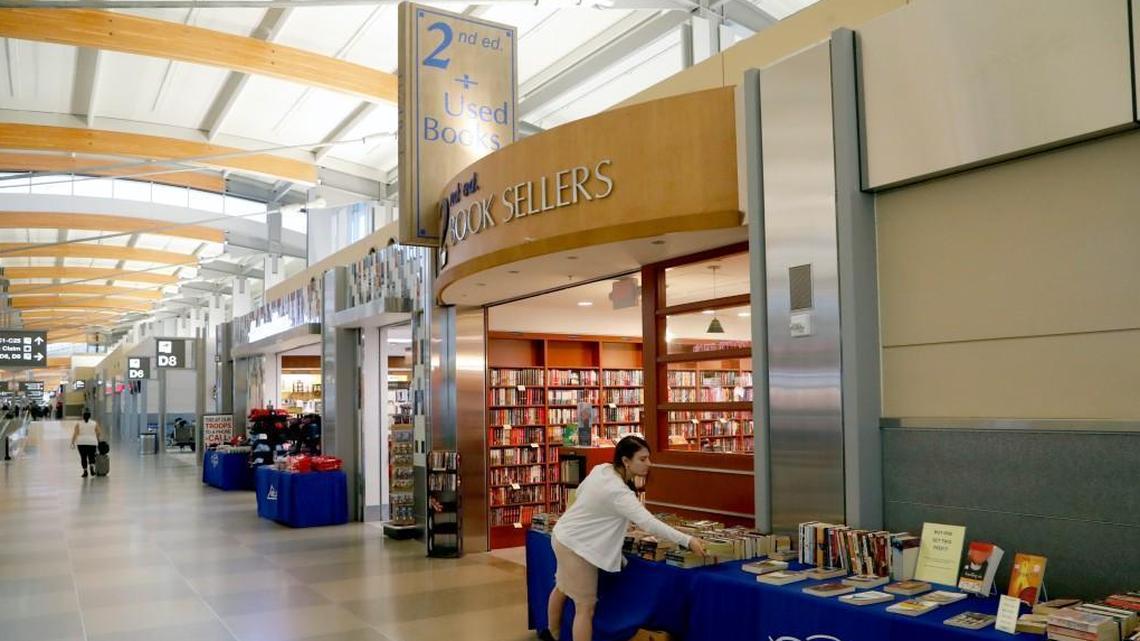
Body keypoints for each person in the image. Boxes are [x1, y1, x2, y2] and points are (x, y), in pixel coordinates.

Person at [541, 435, 707, 641]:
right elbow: (649, 523)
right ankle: (554, 635)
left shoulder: (601, 469)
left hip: (563, 535)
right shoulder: (619, 493)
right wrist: (687, 540)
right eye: (643, 459)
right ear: (626, 461)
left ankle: (552, 634)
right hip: (577, 546)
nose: (649, 463)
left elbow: (582, 493)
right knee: (585, 608)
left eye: (649, 458)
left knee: (563, 586)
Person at [70, 410, 102, 478]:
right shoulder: (94, 423)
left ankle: (85, 471)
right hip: (92, 442)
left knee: (83, 457)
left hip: (81, 442)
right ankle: (92, 468)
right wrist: (97, 440)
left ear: (82, 416)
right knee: (91, 456)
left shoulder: (78, 424)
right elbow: (99, 433)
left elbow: (75, 433)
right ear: (90, 416)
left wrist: (72, 442)